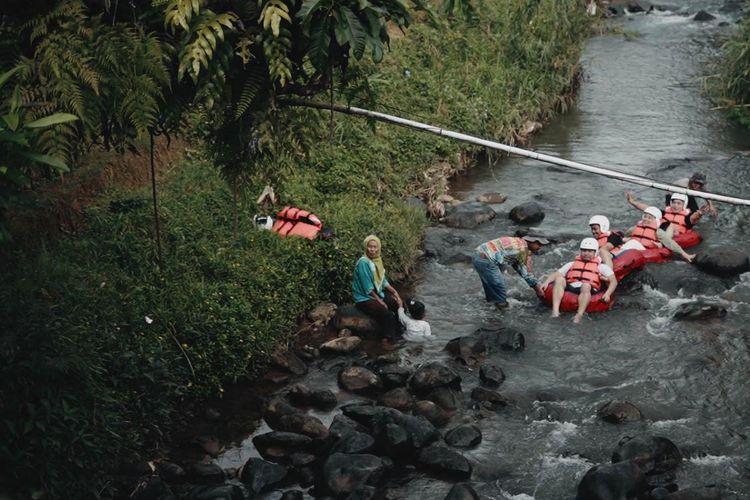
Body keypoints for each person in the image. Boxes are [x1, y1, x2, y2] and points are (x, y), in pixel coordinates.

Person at [540, 238, 618, 324]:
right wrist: (546, 282)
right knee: (559, 279)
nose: (586, 253)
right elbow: (557, 274)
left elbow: (613, 281)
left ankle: (579, 315)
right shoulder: (572, 264)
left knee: (586, 285)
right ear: (580, 251)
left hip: (588, 288)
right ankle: (555, 311)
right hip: (572, 286)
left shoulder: (601, 267)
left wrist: (607, 294)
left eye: (590, 251)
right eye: (584, 250)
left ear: (595, 252)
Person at [472, 235, 548, 309]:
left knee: (491, 285)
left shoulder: (516, 241)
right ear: (530, 241)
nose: (540, 247)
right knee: (499, 287)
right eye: (538, 244)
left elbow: (516, 265)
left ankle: (491, 304)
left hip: (478, 254)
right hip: (487, 259)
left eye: (542, 245)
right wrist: (537, 289)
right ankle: (500, 309)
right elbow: (525, 273)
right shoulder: (522, 250)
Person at [352, 235, 403, 342]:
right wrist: (380, 301)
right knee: (387, 314)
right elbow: (368, 287)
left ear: (378, 248)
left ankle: (399, 331)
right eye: (370, 247)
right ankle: (387, 340)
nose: (372, 250)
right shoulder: (363, 263)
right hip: (365, 298)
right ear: (366, 247)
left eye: (375, 247)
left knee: (397, 305)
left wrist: (395, 293)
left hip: (378, 294)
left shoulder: (377, 260)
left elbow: (383, 281)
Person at [618, 205, 696, 262]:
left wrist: (685, 254)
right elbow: (626, 235)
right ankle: (616, 255)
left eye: (649, 218)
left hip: (642, 251)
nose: (646, 219)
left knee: (633, 242)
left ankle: (617, 256)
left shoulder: (658, 232)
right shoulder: (635, 228)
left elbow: (670, 243)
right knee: (631, 242)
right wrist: (625, 239)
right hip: (629, 249)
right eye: (645, 216)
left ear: (655, 220)